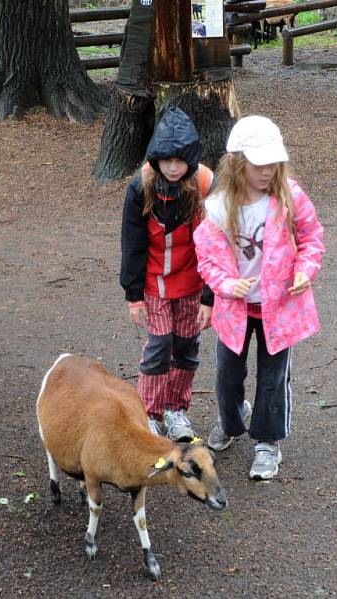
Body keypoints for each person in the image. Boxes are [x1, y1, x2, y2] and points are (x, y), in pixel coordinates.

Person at [194, 115, 325, 480]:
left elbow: (312, 237)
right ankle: (232, 421)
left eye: (273, 164)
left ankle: (268, 442)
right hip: (236, 309)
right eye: (259, 164)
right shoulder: (220, 206)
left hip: (279, 308)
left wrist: (306, 269)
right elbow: (205, 257)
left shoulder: (290, 195)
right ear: (238, 163)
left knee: (273, 377)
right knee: (227, 376)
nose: (267, 171)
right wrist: (223, 283)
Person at [120, 107, 214, 441]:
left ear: (190, 159)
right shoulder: (140, 187)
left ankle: (176, 410)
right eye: (167, 160)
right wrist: (132, 295)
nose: (173, 167)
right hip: (154, 284)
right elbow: (132, 244)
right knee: (159, 345)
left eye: (180, 160)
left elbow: (214, 245)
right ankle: (149, 413)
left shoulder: (203, 184)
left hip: (192, 284)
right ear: (156, 159)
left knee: (186, 347)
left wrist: (210, 298)